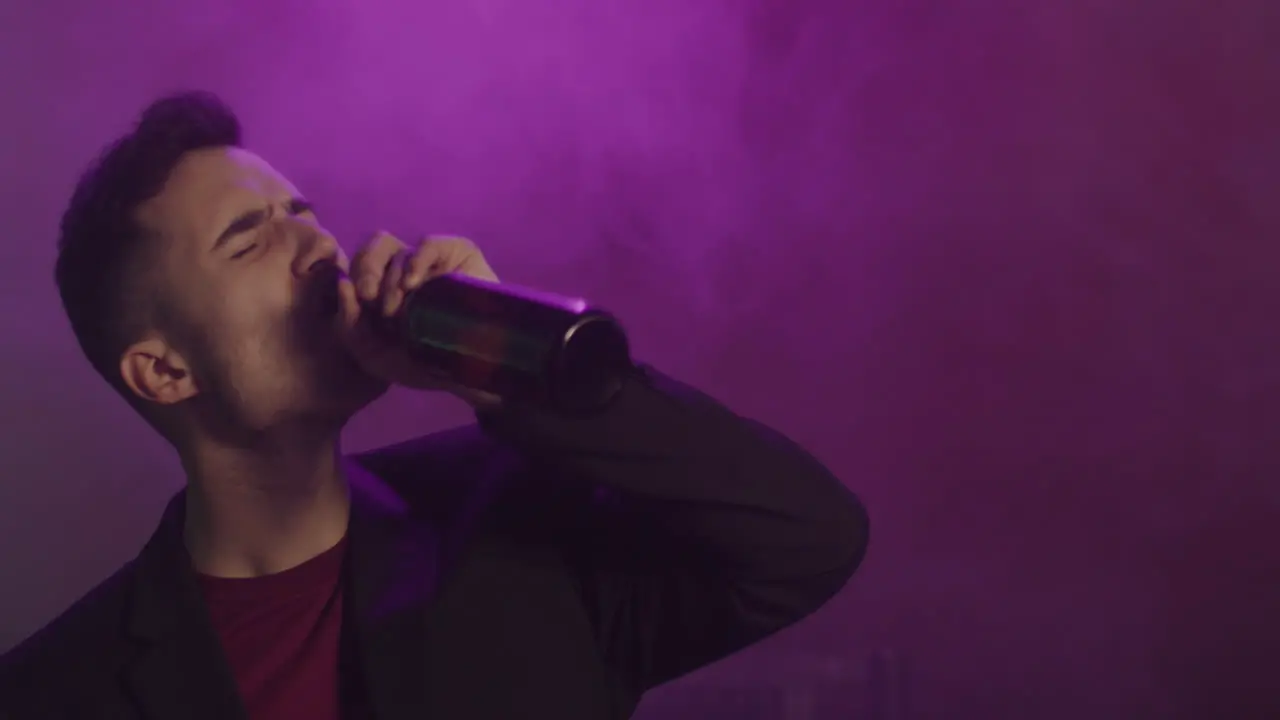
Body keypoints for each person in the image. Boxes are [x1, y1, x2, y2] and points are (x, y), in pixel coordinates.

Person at [0, 91, 869, 720]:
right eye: (249, 239)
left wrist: (508, 374)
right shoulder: (56, 690)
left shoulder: (521, 525)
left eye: (302, 211)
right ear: (163, 372)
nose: (316, 244)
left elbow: (807, 537)